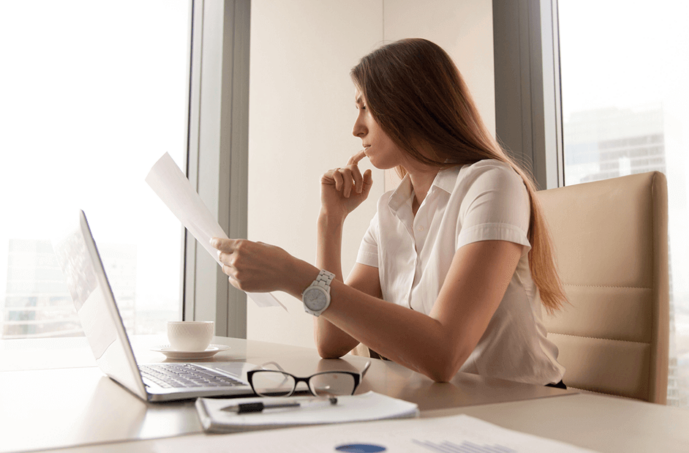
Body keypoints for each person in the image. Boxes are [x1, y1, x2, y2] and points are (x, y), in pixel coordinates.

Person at [211, 38, 567, 386]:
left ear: (410, 105)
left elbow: (443, 354)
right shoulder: (390, 210)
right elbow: (332, 339)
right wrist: (330, 223)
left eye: (366, 107)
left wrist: (293, 274)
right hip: (444, 409)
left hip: (520, 408)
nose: (357, 128)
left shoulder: (491, 184)